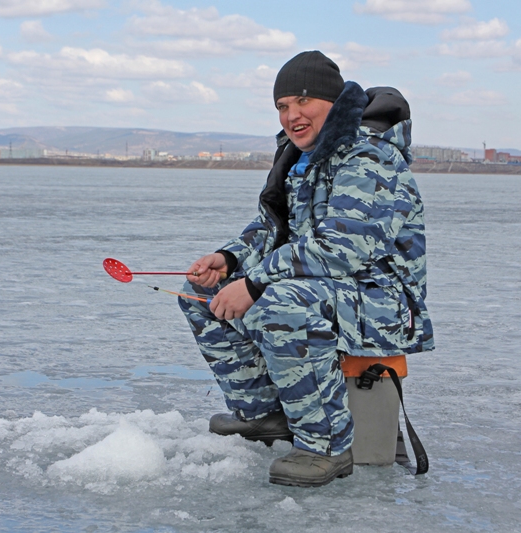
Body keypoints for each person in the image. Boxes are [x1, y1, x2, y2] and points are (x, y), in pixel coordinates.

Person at [178, 50, 434, 487]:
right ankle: (264, 414)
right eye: (282, 106)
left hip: (384, 301)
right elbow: (272, 228)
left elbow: (341, 250)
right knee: (200, 293)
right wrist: (229, 261)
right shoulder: (300, 158)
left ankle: (328, 444)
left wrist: (255, 284)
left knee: (279, 302)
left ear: (333, 102)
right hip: (329, 289)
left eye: (302, 101)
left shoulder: (368, 158)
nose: (291, 115)